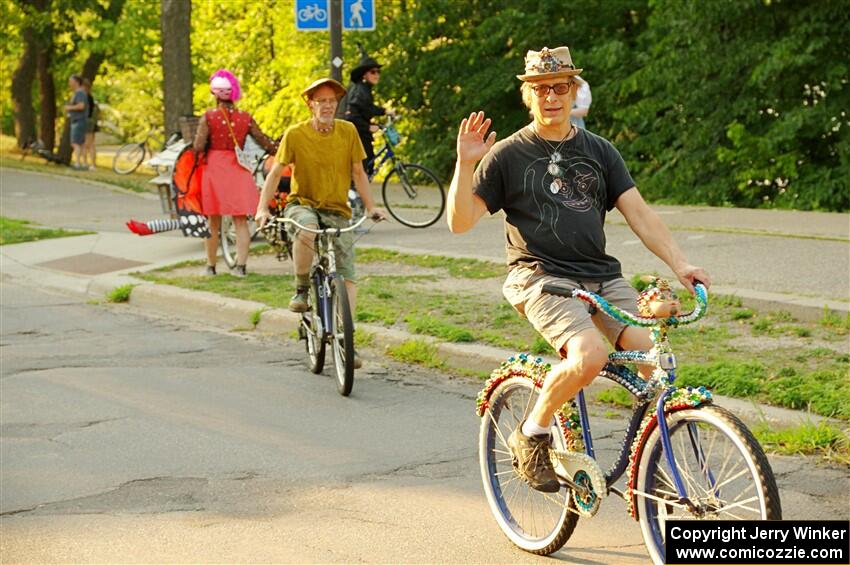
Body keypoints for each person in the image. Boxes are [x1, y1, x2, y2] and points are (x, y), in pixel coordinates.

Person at [447, 46, 710, 492]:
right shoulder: (508, 155)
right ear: (528, 96)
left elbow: (640, 213)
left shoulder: (600, 151)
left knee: (656, 361)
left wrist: (680, 263)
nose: (551, 96)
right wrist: (466, 161)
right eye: (540, 88)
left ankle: (661, 465)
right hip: (541, 278)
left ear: (573, 91)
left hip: (602, 277)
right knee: (590, 355)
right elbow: (460, 222)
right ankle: (532, 432)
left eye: (559, 87)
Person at [255, 78, 386, 368]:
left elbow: (358, 172)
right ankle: (302, 289)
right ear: (310, 104)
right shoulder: (296, 134)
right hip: (302, 204)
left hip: (337, 209)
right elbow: (276, 173)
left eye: (332, 101)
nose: (327, 106)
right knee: (306, 229)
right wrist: (262, 207)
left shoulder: (348, 131)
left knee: (347, 273)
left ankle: (347, 338)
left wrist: (371, 206)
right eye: (321, 101)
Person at [192, 69, 277, 277]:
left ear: (214, 93)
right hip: (238, 169)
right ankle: (241, 266)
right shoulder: (245, 118)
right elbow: (263, 141)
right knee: (240, 221)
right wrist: (280, 148)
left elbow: (198, 146)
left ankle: (210, 266)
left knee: (213, 220)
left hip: (215, 168)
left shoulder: (209, 117)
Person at [344, 48, 394, 176]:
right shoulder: (360, 90)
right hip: (357, 134)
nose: (377, 75)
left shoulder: (364, 89)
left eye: (378, 72)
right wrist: (368, 127)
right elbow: (352, 115)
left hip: (361, 133)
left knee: (368, 164)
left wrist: (383, 112)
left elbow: (367, 108)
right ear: (364, 75)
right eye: (373, 72)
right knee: (364, 166)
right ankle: (354, 193)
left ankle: (357, 192)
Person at [64, 75, 88, 170]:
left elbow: (81, 106)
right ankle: (84, 163)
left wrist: (69, 108)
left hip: (79, 120)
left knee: (75, 143)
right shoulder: (77, 93)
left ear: (77, 82)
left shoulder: (80, 94)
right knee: (81, 143)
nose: (69, 83)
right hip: (78, 120)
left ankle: (78, 163)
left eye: (71, 81)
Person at [82, 78, 99, 170]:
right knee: (91, 144)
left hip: (86, 121)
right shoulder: (90, 97)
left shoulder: (85, 97)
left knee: (86, 144)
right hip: (91, 122)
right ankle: (92, 163)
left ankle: (86, 163)